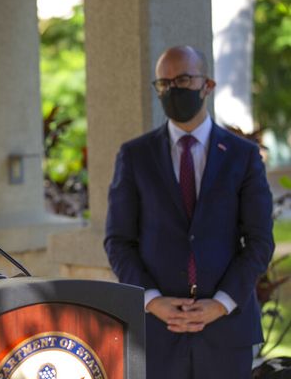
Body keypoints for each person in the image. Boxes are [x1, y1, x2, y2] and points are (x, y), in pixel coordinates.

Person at [104, 45, 274, 378]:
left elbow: (259, 241)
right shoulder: (135, 156)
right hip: (154, 332)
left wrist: (221, 304)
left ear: (207, 85)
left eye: (182, 79)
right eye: (163, 84)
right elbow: (118, 241)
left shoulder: (243, 156)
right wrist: (152, 301)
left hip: (227, 331)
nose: (172, 90)